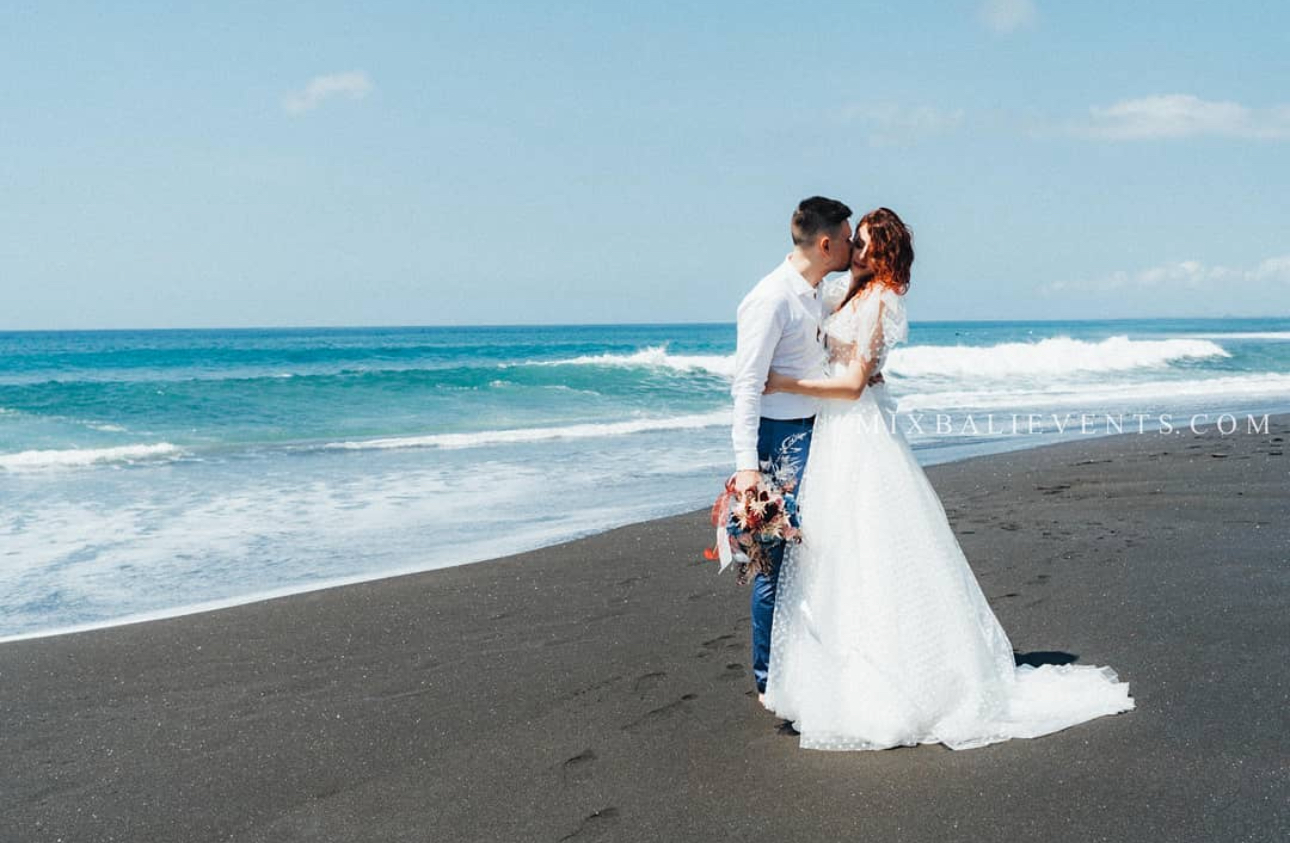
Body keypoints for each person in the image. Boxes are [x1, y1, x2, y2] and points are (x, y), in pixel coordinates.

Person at [762, 208, 1134, 750]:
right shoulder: (844, 291)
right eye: (853, 242)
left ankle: (896, 684)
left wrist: (784, 384)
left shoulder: (882, 300)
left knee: (873, 544)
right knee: (837, 548)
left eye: (863, 244)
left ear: (883, 253)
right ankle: (833, 677)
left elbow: (854, 385)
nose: (854, 251)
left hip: (859, 428)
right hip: (834, 434)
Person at [730, 196, 853, 703]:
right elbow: (746, 385)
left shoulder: (817, 291)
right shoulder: (770, 299)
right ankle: (769, 682)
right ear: (825, 244)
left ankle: (807, 669)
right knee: (774, 561)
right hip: (778, 442)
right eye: (847, 239)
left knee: (816, 555)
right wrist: (747, 469)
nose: (852, 247)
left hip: (818, 432)